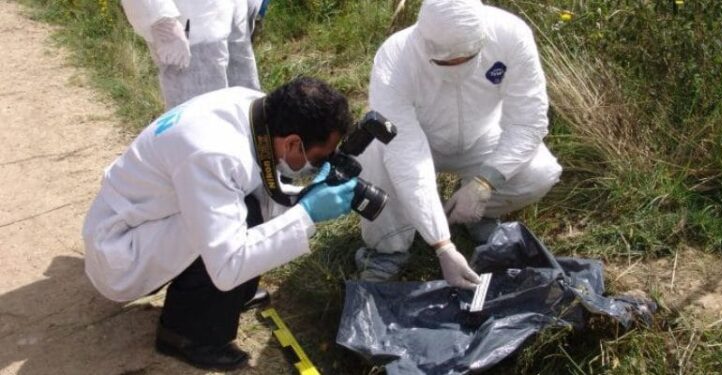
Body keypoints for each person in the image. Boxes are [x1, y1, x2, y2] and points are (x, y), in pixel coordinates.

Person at [82, 77, 357, 370]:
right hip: (121, 249)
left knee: (247, 210)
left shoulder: (254, 109)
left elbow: (260, 183)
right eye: (317, 159)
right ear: (292, 142)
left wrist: (305, 194)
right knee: (244, 222)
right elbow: (228, 264)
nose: (315, 166)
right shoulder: (213, 154)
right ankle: (186, 334)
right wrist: (308, 213)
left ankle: (233, 298)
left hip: (150, 216)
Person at [355, 0, 563, 289]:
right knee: (373, 151)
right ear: (424, 43)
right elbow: (406, 153)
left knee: (541, 172)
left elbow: (528, 122)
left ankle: (475, 211)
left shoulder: (511, 35)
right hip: (421, 140)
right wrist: (442, 246)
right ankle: (388, 248)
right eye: (444, 63)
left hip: (483, 137)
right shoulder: (395, 58)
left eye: (466, 59)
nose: (455, 69)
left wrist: (483, 184)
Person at [121, 0, 264, 109]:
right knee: (199, 117)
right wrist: (161, 20)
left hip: (231, 14)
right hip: (189, 30)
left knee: (246, 110)